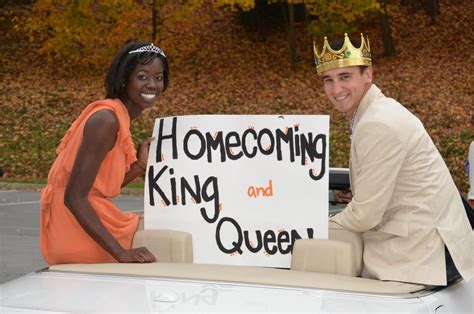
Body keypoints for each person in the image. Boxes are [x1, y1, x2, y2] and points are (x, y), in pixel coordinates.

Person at [314, 33, 473, 286]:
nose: (336, 89)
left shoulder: (378, 122)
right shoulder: (375, 112)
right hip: (431, 247)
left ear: (368, 74)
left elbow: (365, 215)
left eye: (345, 77)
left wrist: (312, 227)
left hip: (423, 256)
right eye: (328, 80)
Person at [40, 42, 169, 265]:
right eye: (142, 76)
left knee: (170, 234)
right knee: (171, 240)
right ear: (124, 79)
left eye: (158, 77)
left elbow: (99, 187)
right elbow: (74, 196)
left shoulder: (116, 117)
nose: (152, 84)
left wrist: (139, 165)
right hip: (72, 229)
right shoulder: (105, 120)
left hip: (83, 219)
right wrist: (120, 253)